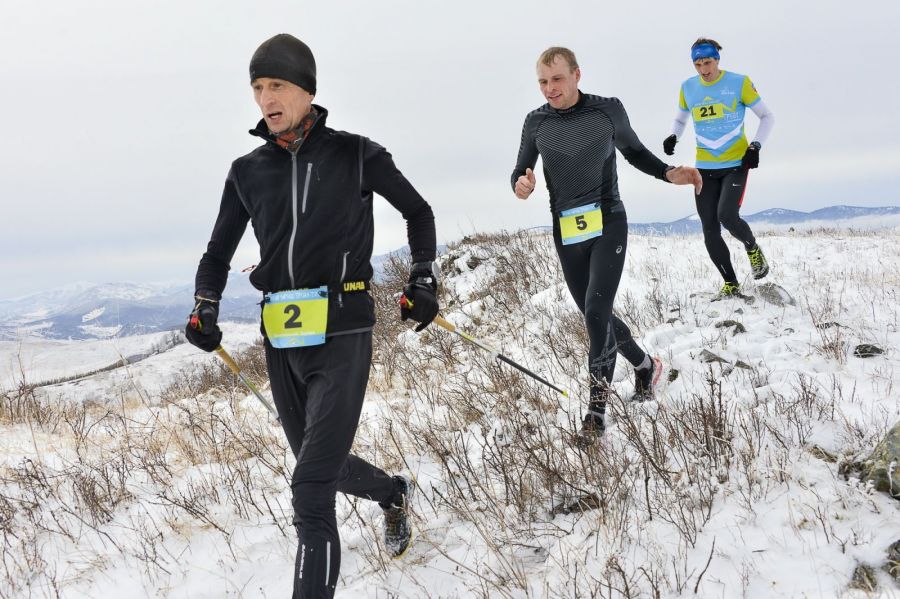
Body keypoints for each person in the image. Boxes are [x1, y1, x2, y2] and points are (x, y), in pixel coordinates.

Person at [183, 34, 439, 599]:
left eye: (276, 85)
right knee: (318, 466)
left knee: (310, 492)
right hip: (282, 334)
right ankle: (392, 492)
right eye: (257, 87)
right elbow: (216, 253)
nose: (265, 98)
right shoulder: (247, 170)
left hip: (344, 327)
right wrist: (205, 304)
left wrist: (423, 277)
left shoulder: (356, 154)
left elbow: (418, 212)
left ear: (307, 90)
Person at [511, 47, 701, 443]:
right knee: (597, 317)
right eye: (543, 82)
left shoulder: (606, 111)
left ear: (577, 75)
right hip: (567, 230)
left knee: (597, 309)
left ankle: (595, 413)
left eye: (557, 79)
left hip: (608, 220)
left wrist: (669, 173)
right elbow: (521, 168)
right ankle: (646, 365)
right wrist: (520, 184)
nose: (550, 89)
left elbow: (633, 152)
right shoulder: (536, 122)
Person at [663, 38, 775, 297]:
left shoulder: (739, 83)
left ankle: (752, 247)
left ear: (717, 59)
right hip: (705, 167)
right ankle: (731, 283)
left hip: (737, 163)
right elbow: (680, 119)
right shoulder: (688, 88)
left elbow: (767, 116)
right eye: (698, 64)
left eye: (708, 62)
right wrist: (673, 136)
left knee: (727, 215)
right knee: (709, 229)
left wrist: (755, 146)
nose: (704, 69)